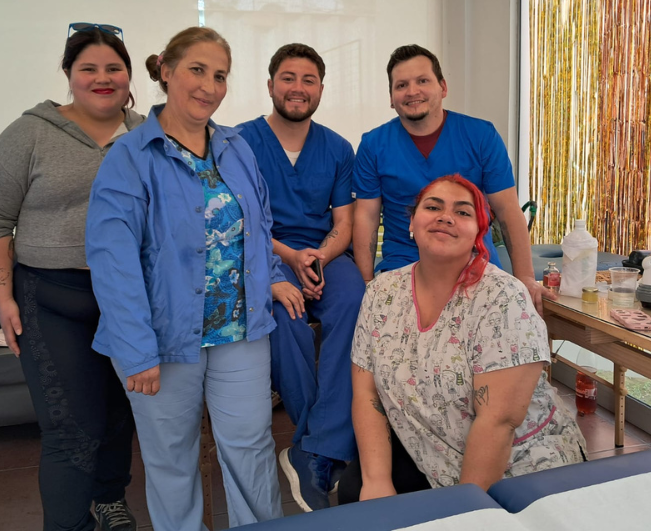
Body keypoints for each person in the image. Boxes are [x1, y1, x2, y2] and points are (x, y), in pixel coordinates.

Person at [85, 27, 298, 531]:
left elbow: (258, 224)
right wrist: (136, 350)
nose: (208, 85)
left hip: (241, 332)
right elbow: (113, 262)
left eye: (219, 75)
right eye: (196, 70)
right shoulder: (129, 157)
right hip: (162, 340)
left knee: (251, 447)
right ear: (166, 71)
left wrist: (269, 277)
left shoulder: (236, 146)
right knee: (172, 458)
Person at [0, 23, 142, 531]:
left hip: (128, 299)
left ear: (130, 75)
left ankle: (111, 500)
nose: (102, 78)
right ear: (68, 74)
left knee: (117, 416)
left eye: (114, 68)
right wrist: (3, 300)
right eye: (88, 68)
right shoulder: (30, 133)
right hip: (53, 297)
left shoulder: (145, 135)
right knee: (72, 429)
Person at [341, 174, 585, 503]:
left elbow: (497, 422)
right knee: (355, 487)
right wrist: (376, 481)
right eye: (432, 207)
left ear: (478, 234)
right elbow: (367, 393)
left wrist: (464, 512)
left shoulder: (502, 298)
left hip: (517, 468)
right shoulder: (382, 292)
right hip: (429, 448)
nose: (445, 216)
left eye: (463, 212)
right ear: (411, 222)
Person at [238, 44, 364, 512]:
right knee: (281, 316)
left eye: (308, 79)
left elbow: (344, 222)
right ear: (270, 84)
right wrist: (290, 258)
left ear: (321, 90)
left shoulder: (336, 147)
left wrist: (320, 255)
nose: (298, 88)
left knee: (356, 303)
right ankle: (323, 444)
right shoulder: (238, 142)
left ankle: (310, 448)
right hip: (265, 253)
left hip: (325, 254)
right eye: (288, 77)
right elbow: (240, 220)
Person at [352, 44, 549, 314]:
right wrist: (365, 282)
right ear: (391, 97)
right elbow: (366, 218)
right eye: (401, 85)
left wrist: (525, 278)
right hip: (405, 265)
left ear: (443, 87)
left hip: (475, 262)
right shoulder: (373, 145)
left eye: (422, 81)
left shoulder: (481, 136)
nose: (412, 91)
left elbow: (507, 210)